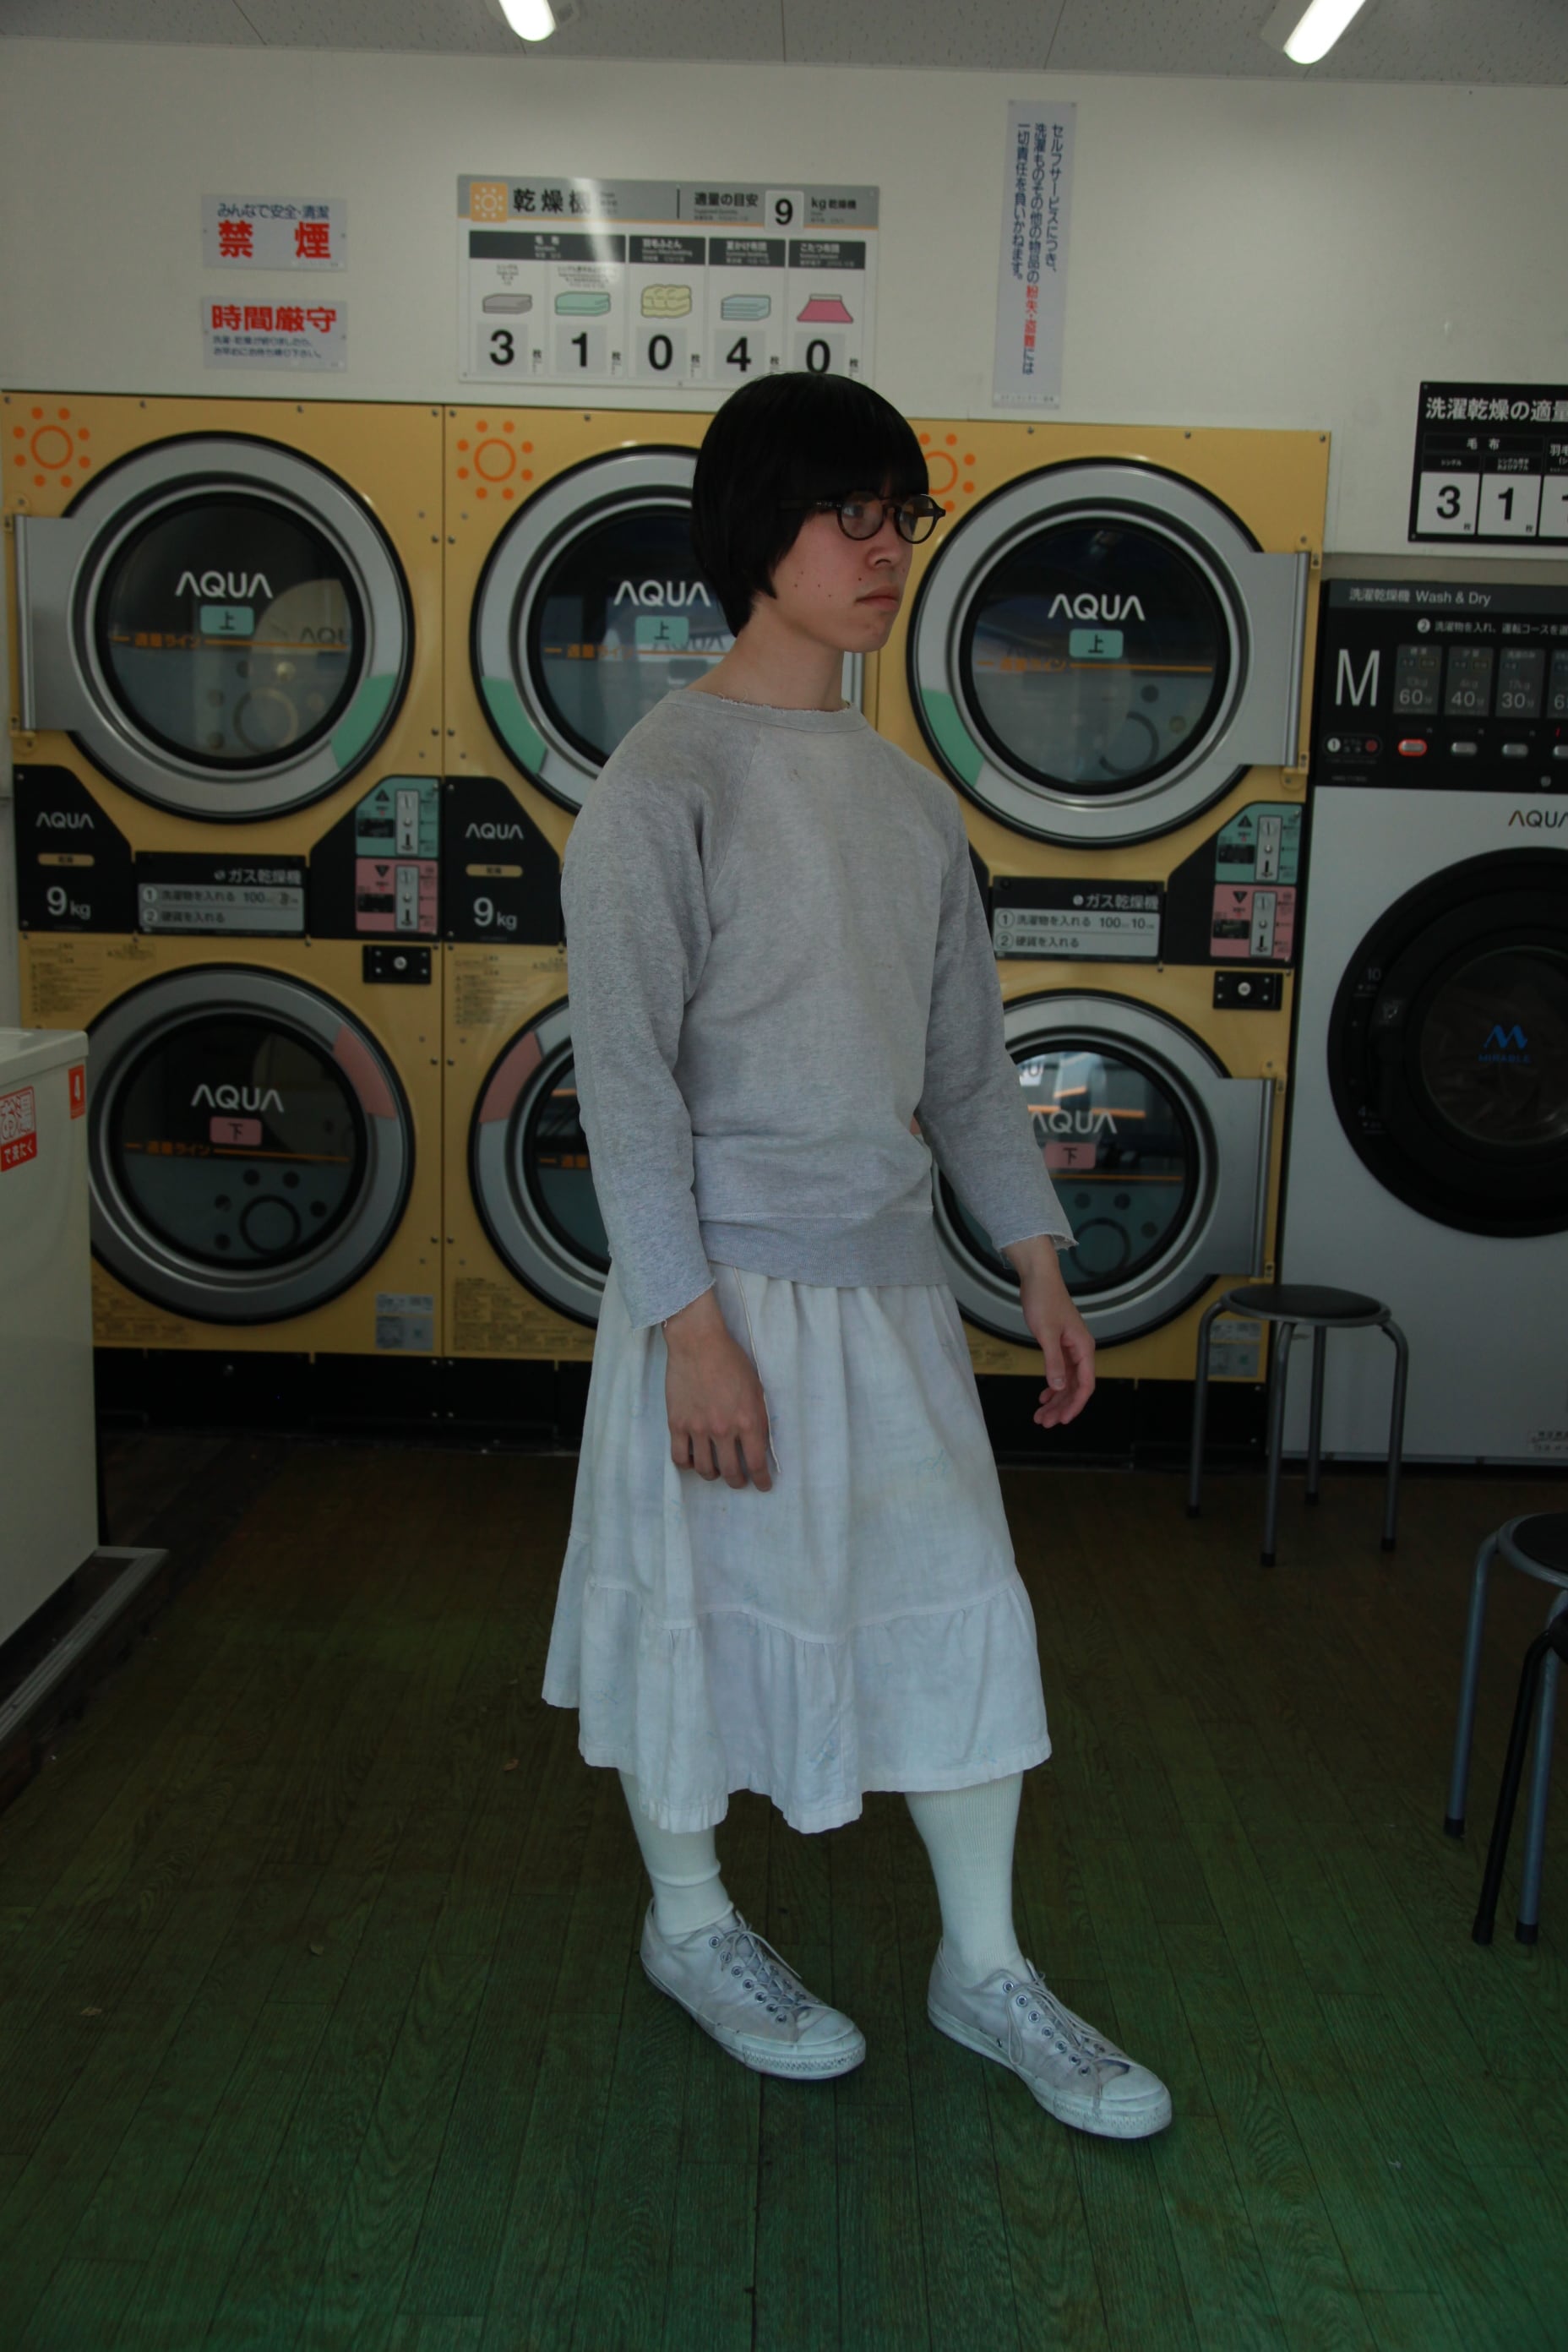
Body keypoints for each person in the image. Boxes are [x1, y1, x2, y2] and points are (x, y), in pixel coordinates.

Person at [542, 371, 1170, 2140]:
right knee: (697, 1614)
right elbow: (627, 1081)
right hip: (718, 1291)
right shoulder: (663, 782)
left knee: (952, 1601)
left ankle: (983, 1966)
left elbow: (964, 1064)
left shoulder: (907, 801)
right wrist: (690, 1332)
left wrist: (1036, 1258)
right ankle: (690, 1925)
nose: (885, 548)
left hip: (890, 1288)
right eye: (851, 513)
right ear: (758, 533)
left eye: (902, 515)